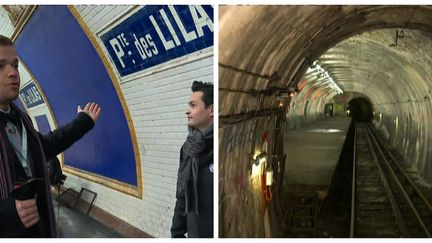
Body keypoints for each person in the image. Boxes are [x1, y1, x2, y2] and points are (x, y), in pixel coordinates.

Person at [0, 35, 101, 237]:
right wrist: (7, 213)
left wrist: (83, 122)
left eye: (15, 65)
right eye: (1, 66)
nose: (13, 73)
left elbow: (43, 146)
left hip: (38, 227)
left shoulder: (21, 120)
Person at [171, 81, 214, 238]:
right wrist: (176, 233)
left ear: (212, 109)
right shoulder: (188, 149)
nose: (187, 111)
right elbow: (182, 194)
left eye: (193, 105)